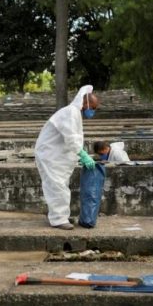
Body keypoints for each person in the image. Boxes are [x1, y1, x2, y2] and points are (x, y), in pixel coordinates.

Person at [35, 85, 99, 230]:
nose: (93, 112)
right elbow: (71, 138)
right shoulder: (71, 112)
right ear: (85, 104)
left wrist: (81, 154)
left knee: (60, 185)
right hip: (50, 155)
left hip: (56, 155)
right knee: (57, 186)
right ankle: (58, 219)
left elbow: (74, 138)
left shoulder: (74, 113)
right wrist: (82, 154)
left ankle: (61, 215)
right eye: (93, 108)